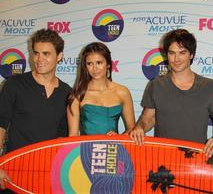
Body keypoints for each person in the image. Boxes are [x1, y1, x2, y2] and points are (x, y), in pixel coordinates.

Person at [130, 29, 213, 156]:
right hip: (163, 160)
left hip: (196, 161)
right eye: (172, 53)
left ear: (191, 55)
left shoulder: (209, 86)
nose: (176, 59)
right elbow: (148, 118)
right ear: (166, 55)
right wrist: (139, 128)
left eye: (182, 53)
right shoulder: (156, 85)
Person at [0, 28, 71, 191]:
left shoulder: (67, 93)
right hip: (13, 171)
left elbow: (63, 139)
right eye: (36, 53)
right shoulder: (14, 84)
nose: (39, 59)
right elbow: (1, 125)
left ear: (59, 56)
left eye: (46, 53)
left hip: (49, 175)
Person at [67, 42, 135, 136]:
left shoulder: (122, 92)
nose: (95, 68)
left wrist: (118, 138)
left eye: (99, 63)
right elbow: (72, 137)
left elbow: (132, 131)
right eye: (90, 64)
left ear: (108, 64)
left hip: (114, 149)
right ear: (85, 67)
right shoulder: (77, 95)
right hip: (85, 150)